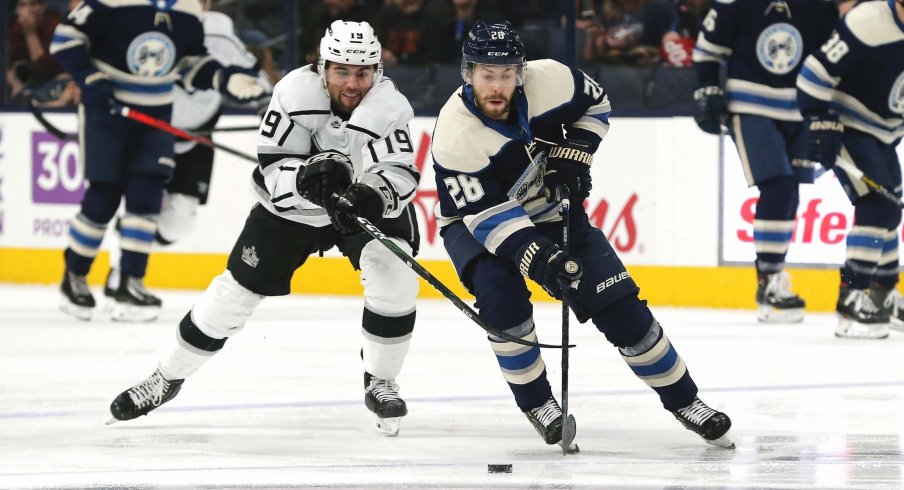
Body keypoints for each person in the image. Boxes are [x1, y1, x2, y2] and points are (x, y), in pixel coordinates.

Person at [106, 21, 422, 437]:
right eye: (341, 71)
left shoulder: (390, 105)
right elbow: (274, 168)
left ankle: (380, 381)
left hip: (358, 202)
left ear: (377, 72)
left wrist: (370, 196)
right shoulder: (293, 93)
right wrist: (306, 177)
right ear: (322, 66)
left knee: (394, 271)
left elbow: (399, 172)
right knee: (232, 295)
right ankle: (166, 377)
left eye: (362, 72)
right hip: (291, 211)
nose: (352, 83)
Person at [432, 20, 733, 449]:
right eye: (486, 74)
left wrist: (575, 157)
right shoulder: (454, 134)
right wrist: (539, 259)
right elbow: (490, 219)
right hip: (473, 222)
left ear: (520, 71)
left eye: (506, 74)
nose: (497, 86)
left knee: (620, 307)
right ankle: (539, 404)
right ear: (468, 73)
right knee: (502, 299)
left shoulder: (551, 79)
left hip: (548, 208)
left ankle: (686, 401)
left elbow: (597, 103)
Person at [50, 0, 269, 323]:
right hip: (107, 114)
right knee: (104, 197)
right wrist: (90, 77)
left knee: (146, 196)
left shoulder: (189, 9)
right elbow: (65, 39)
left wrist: (225, 79)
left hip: (156, 118)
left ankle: (131, 282)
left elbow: (191, 64)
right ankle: (75, 275)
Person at [692, 0, 838, 323]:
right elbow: (708, 49)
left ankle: (772, 280)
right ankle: (770, 281)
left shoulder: (821, 6)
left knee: (791, 193)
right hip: (749, 103)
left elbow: (831, 58)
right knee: (779, 187)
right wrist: (707, 85)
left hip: (800, 108)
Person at [796, 0, 904, 338]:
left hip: (885, 131)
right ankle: (851, 297)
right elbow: (814, 72)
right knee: (877, 206)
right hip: (848, 123)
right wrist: (818, 120)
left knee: (890, 209)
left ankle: (883, 294)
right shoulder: (867, 21)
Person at [6, 0, 64, 101]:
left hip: (50, 86)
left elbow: (45, 71)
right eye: (22, 5)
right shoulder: (12, 29)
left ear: (43, 7)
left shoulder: (56, 27)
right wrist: (14, 82)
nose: (28, 10)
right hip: (22, 86)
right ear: (16, 10)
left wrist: (30, 33)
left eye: (33, 4)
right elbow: (7, 63)